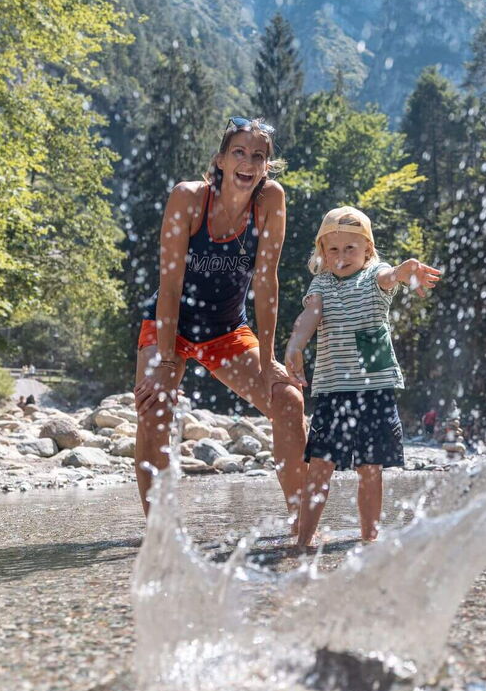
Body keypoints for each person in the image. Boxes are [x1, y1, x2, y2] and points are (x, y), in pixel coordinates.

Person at [134, 116, 307, 521]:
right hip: (171, 325)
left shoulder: (270, 201)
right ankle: (160, 532)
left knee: (288, 401)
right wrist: (166, 363)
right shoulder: (189, 199)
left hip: (227, 330)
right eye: (239, 153)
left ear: (266, 167)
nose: (248, 162)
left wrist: (268, 361)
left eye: (258, 156)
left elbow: (266, 282)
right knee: (154, 406)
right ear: (221, 160)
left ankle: (302, 526)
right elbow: (170, 285)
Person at [285, 206, 441, 546]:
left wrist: (403, 271)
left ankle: (370, 539)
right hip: (333, 391)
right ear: (323, 252)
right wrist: (296, 345)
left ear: (367, 249)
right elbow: (310, 315)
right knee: (320, 465)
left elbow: (390, 277)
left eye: (350, 248)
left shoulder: (374, 276)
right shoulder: (321, 283)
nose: (342, 256)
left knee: (370, 467)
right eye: (333, 249)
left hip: (375, 390)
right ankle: (303, 541)